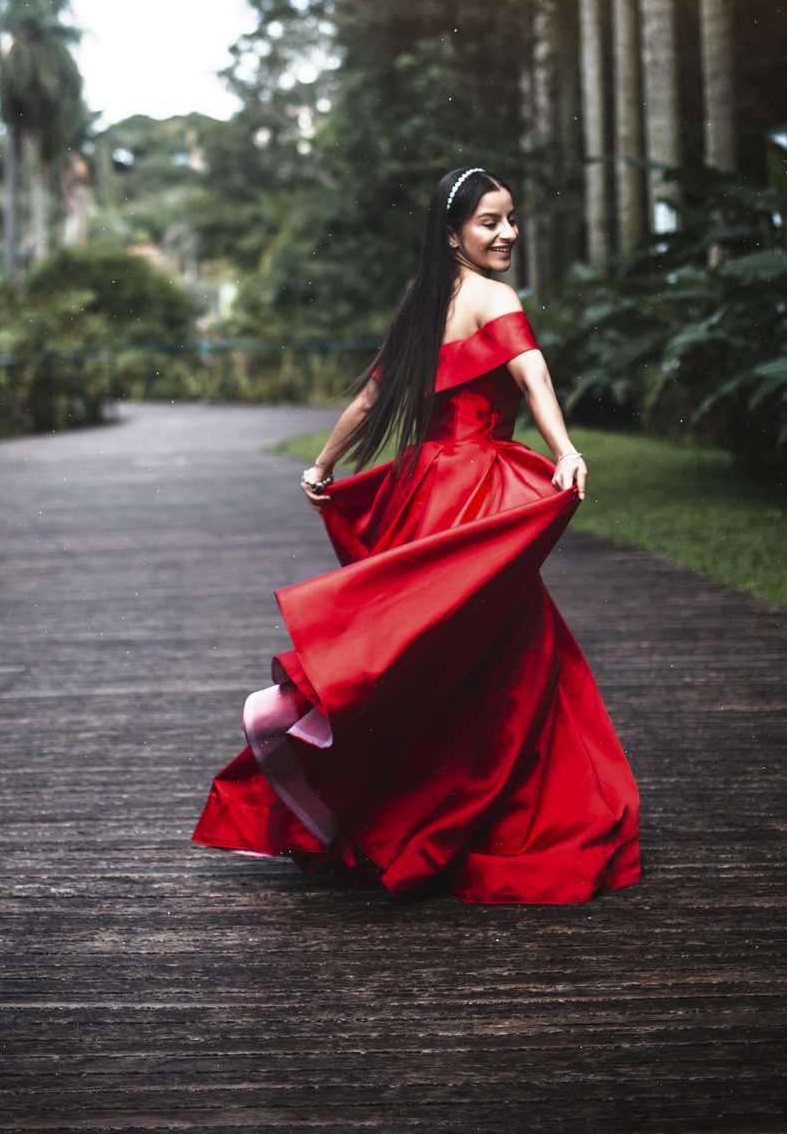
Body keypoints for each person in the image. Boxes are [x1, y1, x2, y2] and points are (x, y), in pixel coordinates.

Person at [191, 166, 641, 905]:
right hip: (477, 492)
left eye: (511, 218)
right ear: (454, 234)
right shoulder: (495, 299)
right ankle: (476, 817)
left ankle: (384, 797)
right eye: (491, 222)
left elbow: (372, 400)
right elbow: (532, 377)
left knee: (427, 650)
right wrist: (563, 449)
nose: (508, 233)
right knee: (506, 656)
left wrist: (323, 465)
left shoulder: (425, 302)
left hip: (426, 489)